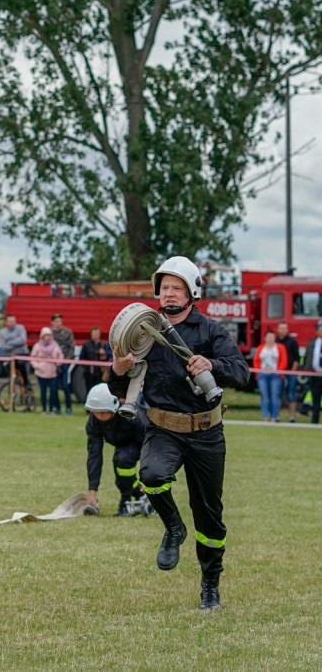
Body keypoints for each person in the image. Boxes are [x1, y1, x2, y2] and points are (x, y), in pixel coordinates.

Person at [109, 256, 249, 611]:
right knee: (152, 475)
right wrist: (118, 367)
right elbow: (116, 385)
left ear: (192, 291)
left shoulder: (211, 331)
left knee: (209, 517)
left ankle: (210, 585)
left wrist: (212, 365)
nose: (169, 294)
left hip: (206, 431)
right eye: (165, 287)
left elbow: (242, 373)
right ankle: (173, 527)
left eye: (177, 287)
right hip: (162, 428)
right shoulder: (143, 330)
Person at [83, 384, 150, 517]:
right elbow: (94, 456)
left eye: (103, 412)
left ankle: (125, 503)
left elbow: (149, 446)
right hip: (122, 445)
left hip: (143, 440)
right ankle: (140, 495)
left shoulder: (132, 416)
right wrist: (92, 493)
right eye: (95, 412)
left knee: (122, 460)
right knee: (120, 476)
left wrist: (146, 480)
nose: (99, 416)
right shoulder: (94, 422)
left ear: (113, 407)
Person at [252, 330, 287, 423]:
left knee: (275, 396)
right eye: (269, 337)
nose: (270, 339)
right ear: (265, 338)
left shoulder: (280, 347)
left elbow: (284, 361)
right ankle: (265, 417)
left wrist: (278, 371)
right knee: (264, 396)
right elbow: (256, 360)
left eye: (272, 337)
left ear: (275, 338)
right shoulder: (261, 348)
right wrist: (259, 371)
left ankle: (274, 417)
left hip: (275, 375)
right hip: (262, 375)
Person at [31, 327, 64, 415]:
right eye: (46, 335)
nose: (48, 337)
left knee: (53, 391)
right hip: (41, 373)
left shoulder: (55, 345)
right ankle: (44, 409)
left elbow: (60, 356)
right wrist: (38, 366)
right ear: (42, 336)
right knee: (43, 391)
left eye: (49, 335)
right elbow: (32, 358)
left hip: (53, 373)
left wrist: (57, 363)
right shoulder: (37, 346)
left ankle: (51, 409)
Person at [275, 321, 301, 423]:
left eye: (285, 328)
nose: (283, 330)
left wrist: (293, 371)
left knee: (291, 395)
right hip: (278, 373)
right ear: (278, 329)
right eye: (281, 328)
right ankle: (276, 416)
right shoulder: (275, 341)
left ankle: (292, 417)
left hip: (290, 372)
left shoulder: (292, 342)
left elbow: (297, 358)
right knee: (277, 395)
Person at [50, 313, 76, 415]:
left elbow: (71, 347)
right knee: (54, 387)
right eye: (56, 321)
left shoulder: (67, 332)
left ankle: (68, 408)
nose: (58, 323)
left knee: (65, 386)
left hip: (64, 363)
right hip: (53, 364)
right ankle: (57, 408)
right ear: (52, 322)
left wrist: (66, 359)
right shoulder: (49, 333)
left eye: (60, 321)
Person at [0, 314, 30, 390]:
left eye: (13, 321)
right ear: (6, 322)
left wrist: (9, 342)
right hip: (10, 356)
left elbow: (23, 340)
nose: (12, 323)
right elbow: (3, 347)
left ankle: (26, 384)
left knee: (22, 365)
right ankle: (12, 386)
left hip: (22, 354)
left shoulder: (20, 328)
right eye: (10, 321)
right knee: (6, 367)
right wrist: (16, 342)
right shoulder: (2, 332)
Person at [79, 326, 112, 397]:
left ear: (99, 334)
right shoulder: (86, 345)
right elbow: (81, 359)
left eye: (97, 333)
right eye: (94, 333)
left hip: (100, 372)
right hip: (89, 373)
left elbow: (108, 358)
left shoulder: (103, 345)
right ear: (91, 334)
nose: (95, 335)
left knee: (99, 391)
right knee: (89, 390)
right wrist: (87, 367)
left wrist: (104, 355)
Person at [302, 320, 322, 424]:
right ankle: (314, 421)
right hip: (315, 375)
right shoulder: (312, 343)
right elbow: (307, 358)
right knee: (315, 401)